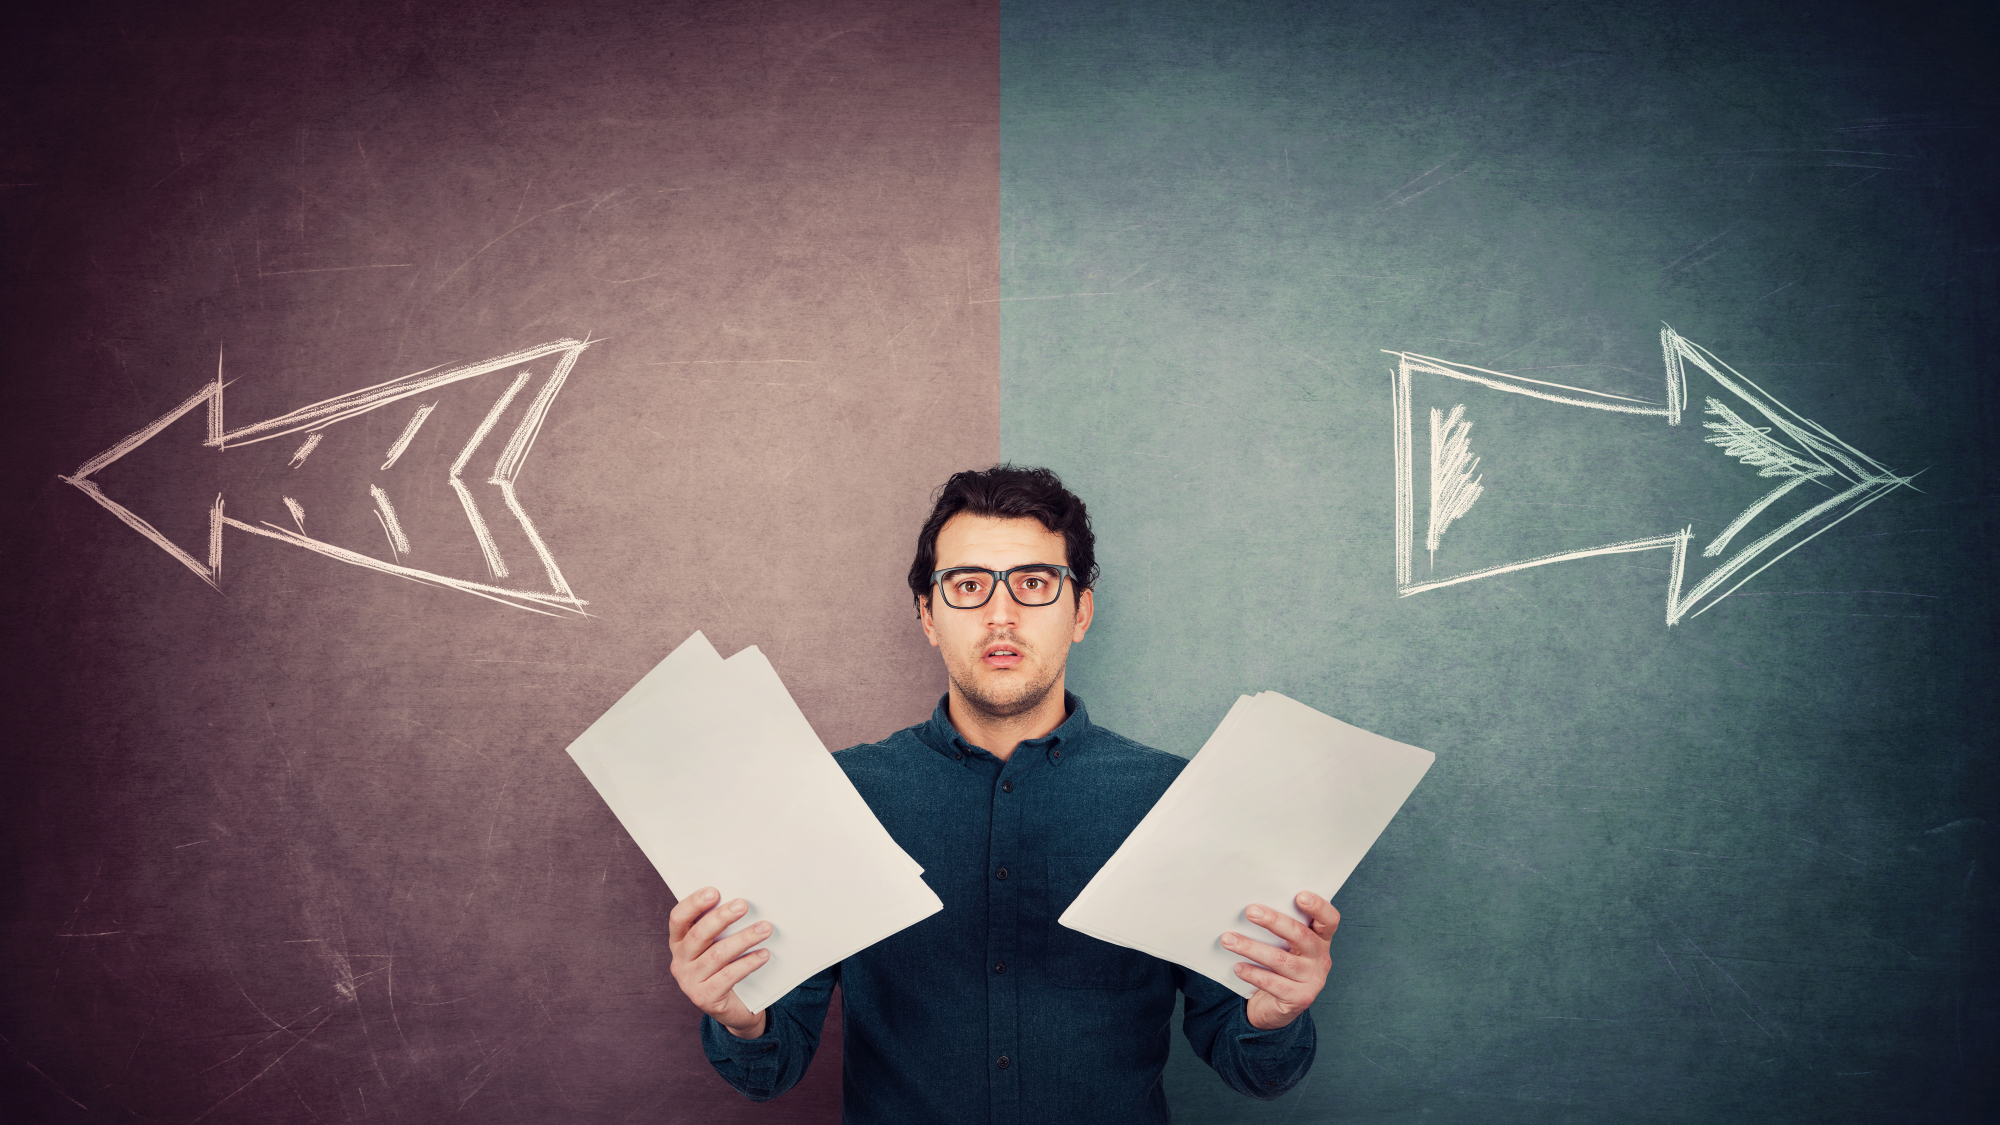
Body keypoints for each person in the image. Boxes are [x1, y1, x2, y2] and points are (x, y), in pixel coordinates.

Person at [669, 465, 1338, 1122]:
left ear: (1081, 612)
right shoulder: (837, 796)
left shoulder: (1178, 797)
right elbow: (771, 1066)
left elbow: (1252, 1066)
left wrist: (1274, 1015)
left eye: (1034, 582)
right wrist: (739, 1015)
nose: (1001, 613)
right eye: (967, 584)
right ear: (928, 615)